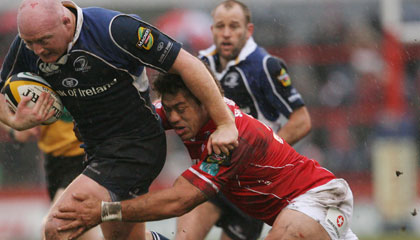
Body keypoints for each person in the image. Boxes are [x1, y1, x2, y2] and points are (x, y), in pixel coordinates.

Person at [0, 0, 238, 239]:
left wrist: (225, 123)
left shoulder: (114, 30)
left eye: (44, 40)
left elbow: (189, 65)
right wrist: (15, 121)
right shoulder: (27, 44)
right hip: (96, 151)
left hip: (135, 146)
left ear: (66, 21)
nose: (38, 50)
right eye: (30, 43)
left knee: (58, 226)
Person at [54, 73, 358, 240]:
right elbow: (133, 122)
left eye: (180, 109)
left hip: (319, 198)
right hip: (281, 210)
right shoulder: (185, 109)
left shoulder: (231, 138)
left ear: (204, 103)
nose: (173, 117)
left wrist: (104, 211)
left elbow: (180, 200)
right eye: (169, 108)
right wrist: (91, 125)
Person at [179, 1, 312, 239]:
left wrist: (263, 151)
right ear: (212, 30)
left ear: (248, 30)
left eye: (234, 26)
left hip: (251, 188)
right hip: (211, 173)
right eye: (220, 26)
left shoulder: (265, 65)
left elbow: (302, 120)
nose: (227, 33)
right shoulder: (198, 65)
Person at [3, 108, 102, 239]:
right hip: (53, 158)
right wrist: (12, 125)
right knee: (79, 234)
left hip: (83, 153)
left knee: (54, 229)